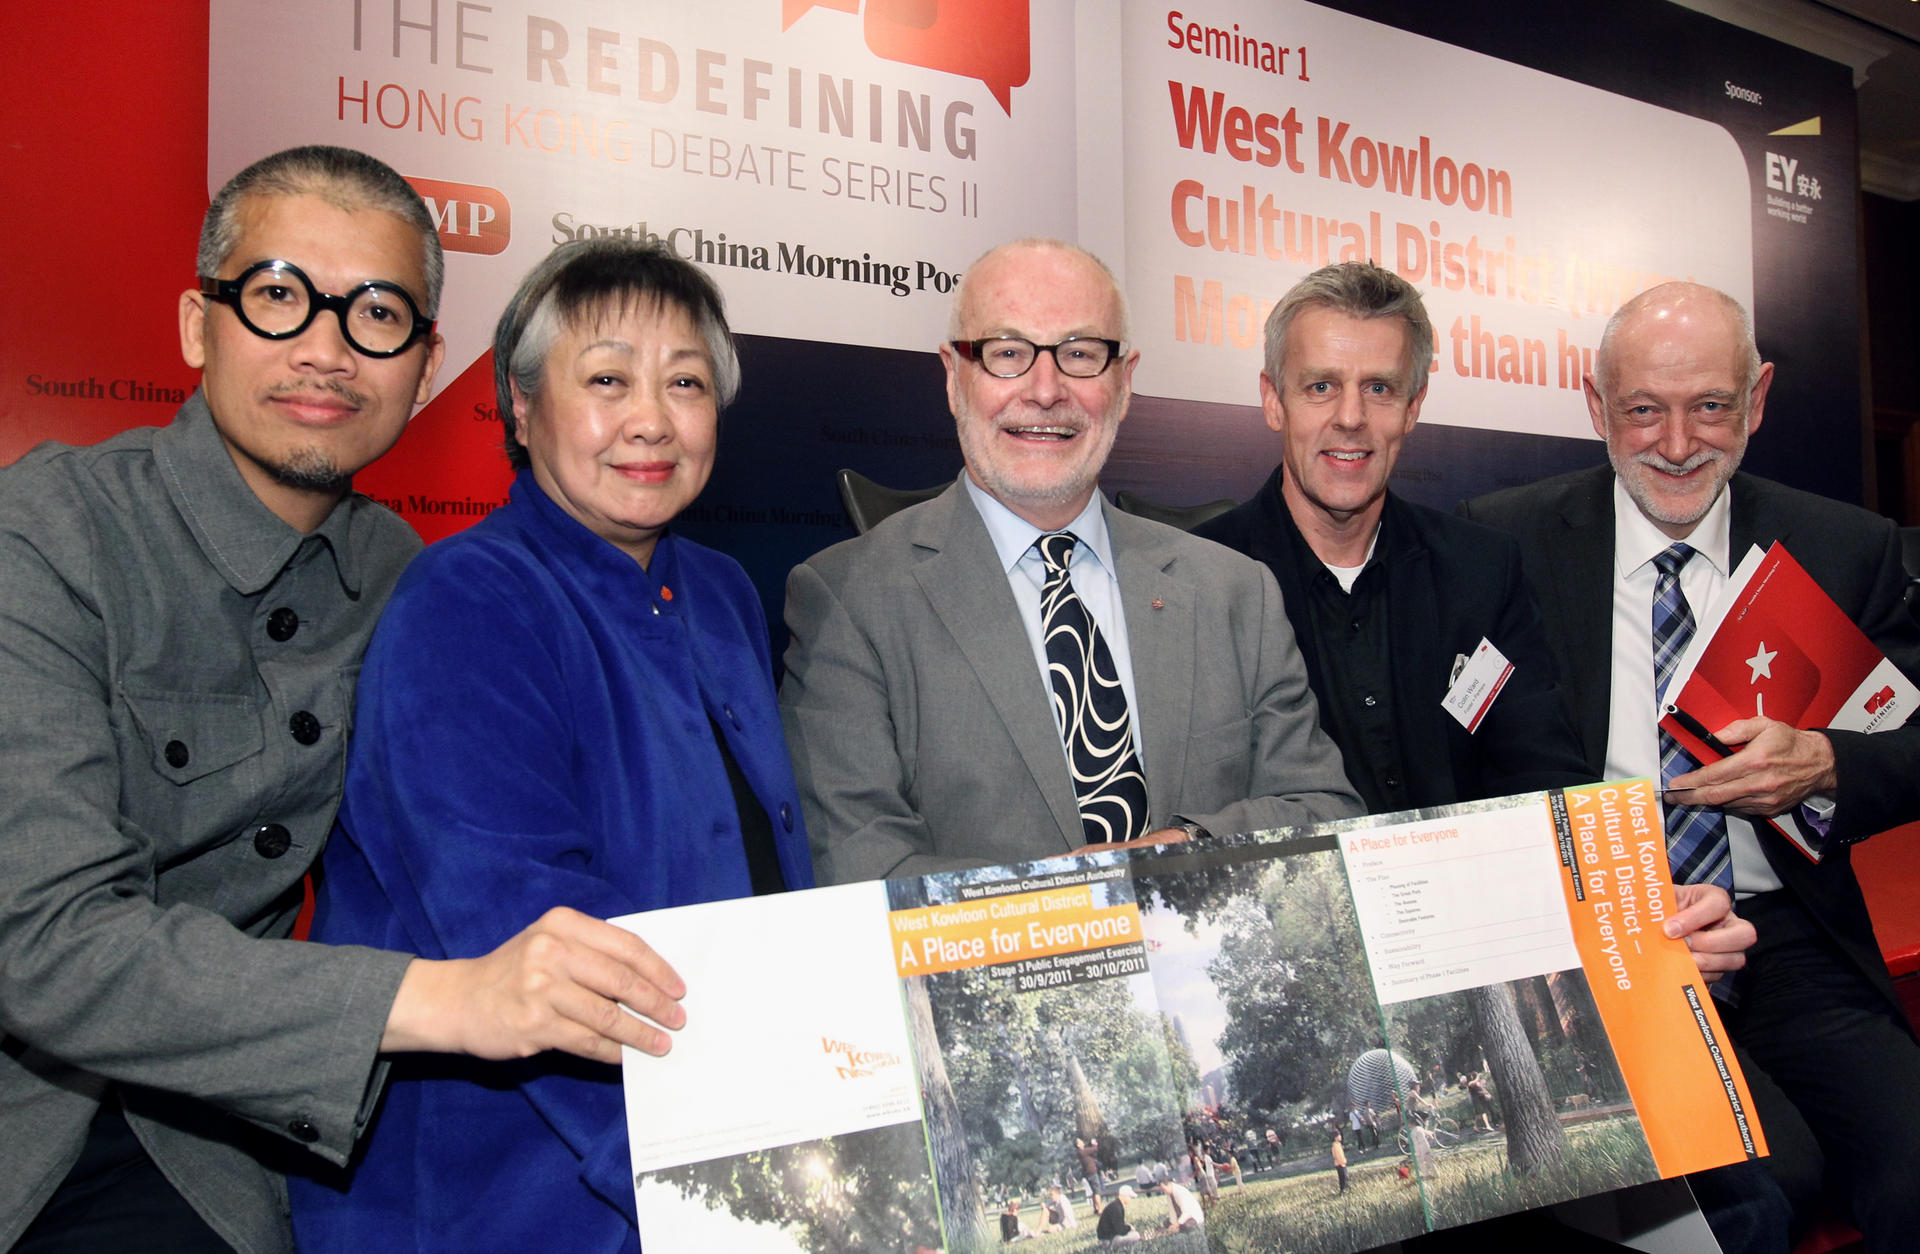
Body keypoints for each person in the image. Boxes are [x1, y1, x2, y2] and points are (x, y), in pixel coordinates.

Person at [0, 146, 686, 1253]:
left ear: (424, 371)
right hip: (40, 1131)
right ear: (195, 326)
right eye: (278, 296)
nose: (324, 349)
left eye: (375, 314)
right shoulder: (47, 537)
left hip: (253, 1133)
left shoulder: (416, 582)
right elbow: (45, 945)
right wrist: (443, 1000)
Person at [286, 239, 814, 1252]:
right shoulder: (467, 602)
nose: (651, 419)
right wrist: (735, 1197)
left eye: (686, 382)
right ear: (522, 412)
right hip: (527, 1190)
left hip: (729, 1132)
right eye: (607, 378)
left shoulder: (721, 592)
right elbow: (528, 944)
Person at [1462, 281, 1920, 1254]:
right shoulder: (1502, 543)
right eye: (1643, 410)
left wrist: (1833, 761)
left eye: (1710, 406)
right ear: (1595, 407)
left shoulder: (1849, 548)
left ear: (1756, 399)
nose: (1677, 444)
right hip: (1617, 941)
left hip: (1793, 932)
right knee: (1763, 1185)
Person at [1193, 262, 1749, 978]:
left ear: (1414, 406)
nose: (1352, 417)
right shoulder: (1205, 583)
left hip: (1478, 954)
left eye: (1381, 388)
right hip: (1295, 965)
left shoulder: (1481, 567)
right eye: (1321, 386)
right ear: (1274, 401)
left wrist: (1647, 907)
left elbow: (1545, 777)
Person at [782, 238, 1359, 881]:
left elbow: (1319, 812)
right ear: (953, 376)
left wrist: (1174, 856)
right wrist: (1080, 915)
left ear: (1125, 381)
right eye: (1007, 354)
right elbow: (862, 865)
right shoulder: (848, 598)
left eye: (1082, 354)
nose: (1047, 390)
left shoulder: (1235, 591)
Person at [1331, 1129, 1349, 1194]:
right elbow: (1337, 1155)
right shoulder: (1335, 1146)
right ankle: (1343, 1190)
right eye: (1339, 1135)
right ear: (1335, 1137)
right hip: (1340, 1164)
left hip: (1342, 1163)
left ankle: (1346, 1188)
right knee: (1343, 1178)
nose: (1340, 1136)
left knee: (1345, 1177)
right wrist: (1342, 1162)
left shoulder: (1338, 1144)